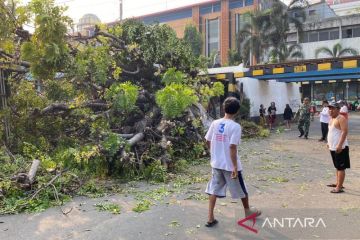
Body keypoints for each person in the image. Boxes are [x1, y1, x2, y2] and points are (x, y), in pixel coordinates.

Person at [204, 97, 261, 227]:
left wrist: (213, 153)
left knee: (214, 190)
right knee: (242, 189)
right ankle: (247, 212)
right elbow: (232, 147)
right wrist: (235, 166)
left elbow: (208, 140)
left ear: (224, 108)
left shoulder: (215, 123)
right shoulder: (235, 126)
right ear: (237, 111)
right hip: (230, 166)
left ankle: (210, 218)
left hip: (216, 164)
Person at [326, 102, 350, 194]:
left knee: (341, 168)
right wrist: (328, 142)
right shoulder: (331, 119)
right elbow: (331, 132)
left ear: (338, 109)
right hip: (333, 147)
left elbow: (344, 132)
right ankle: (338, 183)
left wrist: (340, 145)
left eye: (332, 108)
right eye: (329, 108)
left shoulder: (341, 118)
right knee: (337, 166)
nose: (330, 110)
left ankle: (339, 187)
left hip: (341, 147)